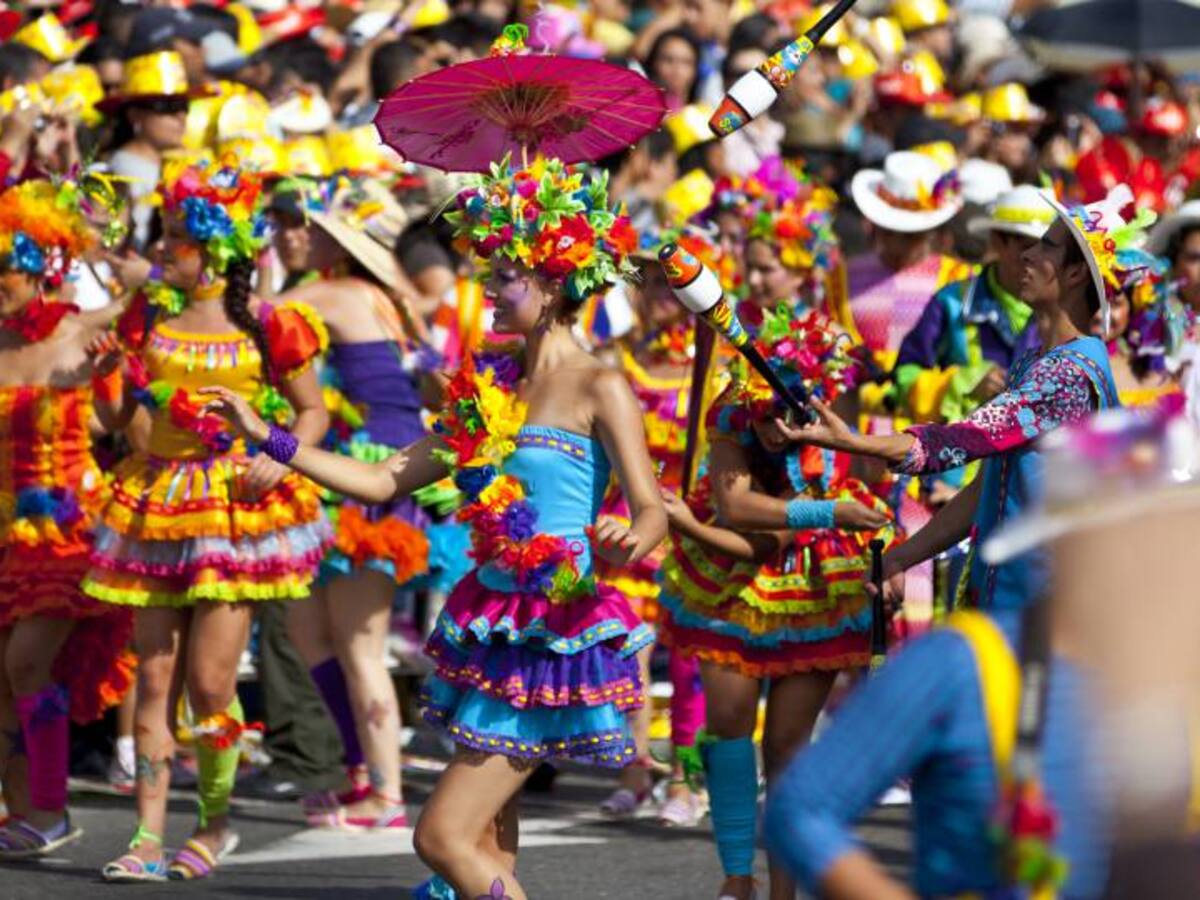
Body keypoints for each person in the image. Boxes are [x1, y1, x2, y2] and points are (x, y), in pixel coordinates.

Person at [202, 155, 665, 900]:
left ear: (554, 283)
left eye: (506, 272)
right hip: (492, 615)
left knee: (441, 837)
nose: (487, 284)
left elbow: (649, 510)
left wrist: (627, 540)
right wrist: (273, 441)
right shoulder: (488, 389)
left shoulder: (600, 383)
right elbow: (384, 478)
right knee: (486, 845)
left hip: (554, 623)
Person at [85, 161, 332, 882]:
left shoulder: (272, 324)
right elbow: (121, 418)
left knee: (212, 685)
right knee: (154, 678)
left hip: (233, 514)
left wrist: (283, 457)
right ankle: (145, 837)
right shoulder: (147, 318)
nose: (161, 250)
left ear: (216, 248)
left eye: (175, 238)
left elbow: (312, 411)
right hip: (158, 502)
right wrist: (107, 384)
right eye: (161, 235)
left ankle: (214, 825)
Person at [656, 176, 895, 900]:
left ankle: (785, 891)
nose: (783, 429)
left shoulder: (835, 384)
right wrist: (827, 516)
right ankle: (738, 877)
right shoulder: (734, 405)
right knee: (729, 731)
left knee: (788, 749)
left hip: (816, 585)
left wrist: (846, 516)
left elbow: (852, 467)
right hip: (730, 583)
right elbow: (736, 508)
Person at [773, 185, 1149, 620]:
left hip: (1043, 612)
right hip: (1007, 601)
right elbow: (982, 489)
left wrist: (852, 442)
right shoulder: (1036, 360)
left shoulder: (1067, 375)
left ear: (1075, 275)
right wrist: (901, 557)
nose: (1026, 256)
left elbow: (964, 438)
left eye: (1044, 246)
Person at [270, 178, 432, 831]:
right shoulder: (374, 294)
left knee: (361, 642)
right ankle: (362, 769)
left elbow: (251, 313)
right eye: (280, 222)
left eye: (299, 222)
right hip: (340, 472)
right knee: (310, 631)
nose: (287, 234)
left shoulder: (337, 293)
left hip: (373, 476)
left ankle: (388, 793)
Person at [0, 179, 133, 858]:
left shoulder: (82, 329)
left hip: (64, 530)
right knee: (7, 676)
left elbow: (121, 417)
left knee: (28, 664)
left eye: (7, 265)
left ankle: (50, 805)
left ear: (40, 262)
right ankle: (25, 811)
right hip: (3, 529)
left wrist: (125, 264)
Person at [596, 230, 709, 827]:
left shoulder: (713, 362)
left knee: (689, 659)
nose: (663, 294)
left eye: (675, 283)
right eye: (654, 282)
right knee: (627, 652)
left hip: (691, 524)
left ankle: (687, 782)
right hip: (630, 523)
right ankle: (635, 770)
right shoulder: (616, 356)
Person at [893, 184, 1050, 426]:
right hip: (965, 458)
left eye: (1047, 248)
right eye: (1027, 246)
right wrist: (963, 383)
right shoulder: (950, 303)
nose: (1037, 259)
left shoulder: (1065, 307)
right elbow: (903, 378)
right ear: (997, 241)